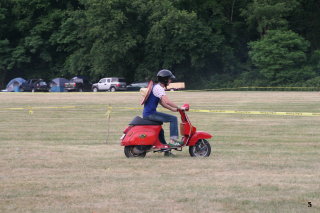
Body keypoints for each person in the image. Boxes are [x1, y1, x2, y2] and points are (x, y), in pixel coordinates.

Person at [143, 69, 184, 147]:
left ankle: (165, 148)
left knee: (160, 130)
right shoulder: (159, 88)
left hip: (148, 113)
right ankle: (173, 141)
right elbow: (167, 101)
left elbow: (163, 103)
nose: (170, 81)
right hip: (150, 114)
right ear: (164, 79)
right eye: (169, 79)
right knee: (173, 119)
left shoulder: (156, 87)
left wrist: (173, 109)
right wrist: (179, 107)